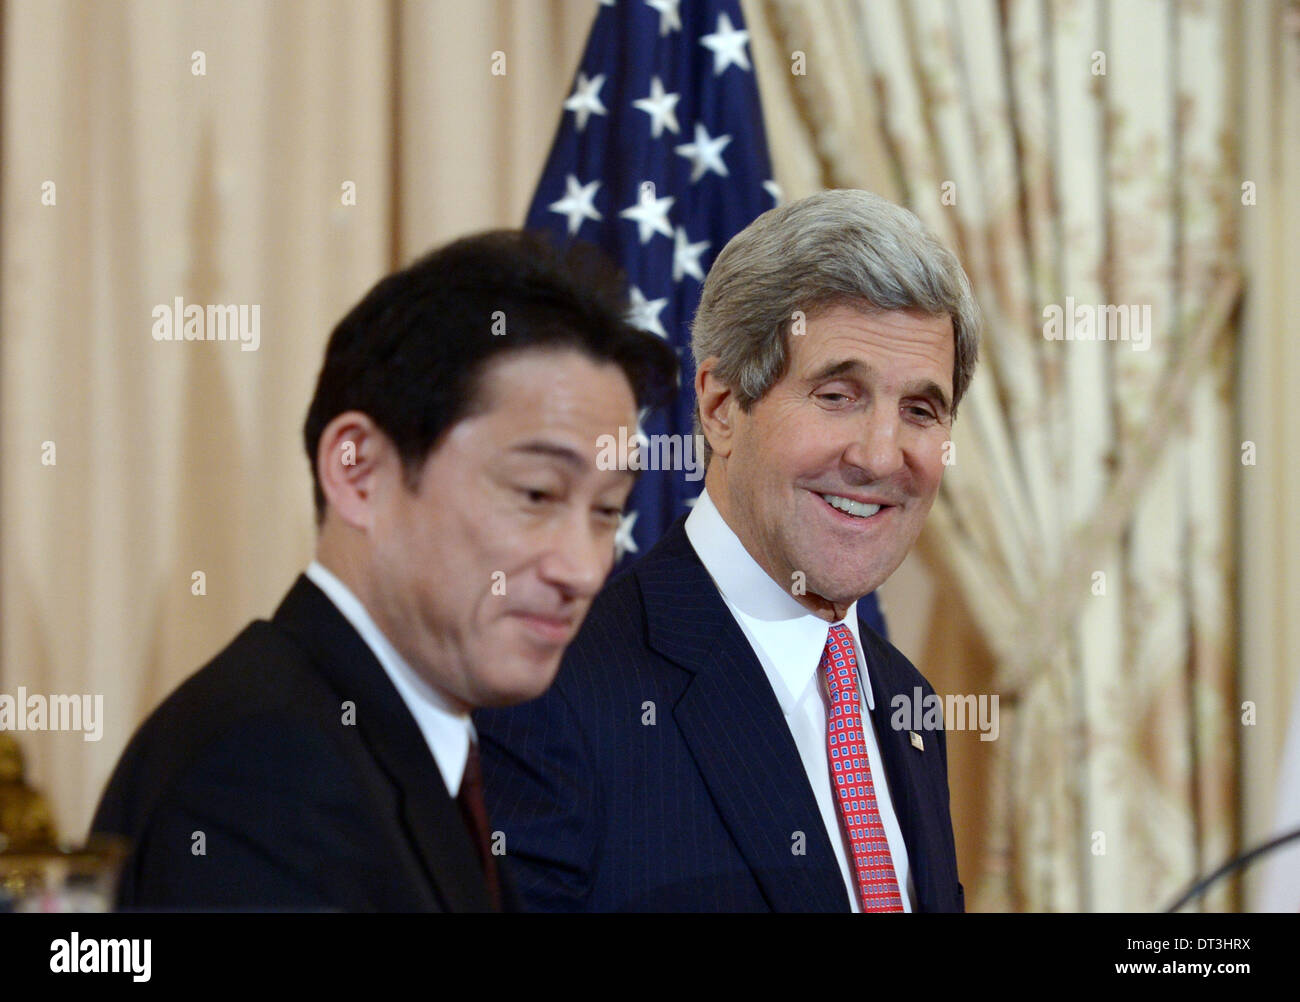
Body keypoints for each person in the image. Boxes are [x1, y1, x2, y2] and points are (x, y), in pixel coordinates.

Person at [90, 231, 678, 911]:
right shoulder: (261, 772)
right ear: (359, 471)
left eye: (607, 510)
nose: (582, 568)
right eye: (537, 493)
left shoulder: (417, 749)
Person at [476, 189, 979, 912]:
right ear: (720, 408)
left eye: (921, 411)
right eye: (838, 394)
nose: (879, 455)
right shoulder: (555, 688)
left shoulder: (906, 701)